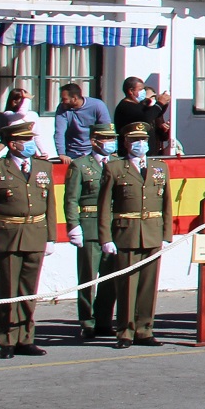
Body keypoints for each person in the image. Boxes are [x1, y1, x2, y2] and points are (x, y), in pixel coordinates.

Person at [0, 121, 56, 357]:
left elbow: (49, 204)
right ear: (12, 144)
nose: (31, 144)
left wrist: (51, 236)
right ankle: (7, 340)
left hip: (35, 233)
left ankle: (26, 338)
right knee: (9, 290)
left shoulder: (43, 167)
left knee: (29, 291)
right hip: (7, 235)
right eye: (26, 140)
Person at [97, 122, 171, 347]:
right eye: (135, 141)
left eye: (144, 140)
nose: (140, 144)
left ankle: (145, 329)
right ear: (126, 144)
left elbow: (166, 203)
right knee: (127, 286)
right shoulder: (115, 168)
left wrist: (166, 234)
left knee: (149, 284)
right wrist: (106, 238)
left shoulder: (160, 167)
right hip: (126, 233)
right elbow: (104, 206)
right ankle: (126, 331)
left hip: (152, 231)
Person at [63, 123, 117, 340]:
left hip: (113, 226)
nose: (110, 142)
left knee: (110, 277)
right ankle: (87, 321)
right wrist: (73, 225)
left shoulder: (118, 163)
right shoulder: (80, 165)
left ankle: (104, 320)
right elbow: (71, 198)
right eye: (106, 138)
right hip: (90, 225)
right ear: (95, 141)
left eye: (112, 138)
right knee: (88, 277)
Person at [112, 76, 170, 155]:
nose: (143, 92)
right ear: (131, 91)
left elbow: (154, 114)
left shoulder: (139, 104)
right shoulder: (126, 107)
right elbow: (145, 119)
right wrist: (160, 103)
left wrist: (164, 103)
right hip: (131, 153)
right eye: (140, 89)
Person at [53, 82, 111, 160]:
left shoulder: (98, 106)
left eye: (64, 99)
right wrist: (62, 154)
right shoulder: (62, 109)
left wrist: (108, 150)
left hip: (94, 151)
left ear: (75, 98)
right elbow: (59, 132)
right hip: (73, 153)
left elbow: (106, 130)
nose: (62, 102)